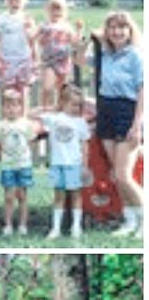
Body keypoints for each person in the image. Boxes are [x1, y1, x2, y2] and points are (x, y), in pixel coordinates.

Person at [91, 10, 143, 237]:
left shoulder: (136, 56)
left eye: (122, 27)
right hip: (106, 111)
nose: (117, 31)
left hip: (127, 111)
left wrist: (137, 124)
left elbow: (143, 91)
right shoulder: (105, 54)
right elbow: (80, 59)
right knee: (116, 173)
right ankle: (130, 221)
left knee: (124, 175)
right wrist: (88, 39)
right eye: (112, 27)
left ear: (130, 31)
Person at [30, 85, 92, 239]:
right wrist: (52, 108)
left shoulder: (80, 122)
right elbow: (31, 113)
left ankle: (76, 226)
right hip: (57, 164)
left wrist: (84, 165)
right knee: (59, 196)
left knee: (76, 195)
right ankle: (56, 227)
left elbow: (85, 145)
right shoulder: (54, 119)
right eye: (73, 104)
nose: (76, 108)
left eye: (79, 105)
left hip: (74, 164)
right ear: (63, 102)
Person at [0, 88, 40, 236]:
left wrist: (26, 156)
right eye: (7, 106)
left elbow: (32, 141)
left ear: (20, 107)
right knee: (9, 196)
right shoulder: (1, 125)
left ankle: (22, 225)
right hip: (8, 165)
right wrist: (1, 157)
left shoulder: (25, 124)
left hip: (23, 164)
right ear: (3, 108)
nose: (11, 109)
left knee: (22, 195)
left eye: (15, 106)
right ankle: (8, 224)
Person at [36, 0, 84, 109]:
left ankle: (59, 108)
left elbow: (75, 42)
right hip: (49, 62)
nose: (56, 13)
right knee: (47, 87)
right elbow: (37, 39)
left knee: (61, 88)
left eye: (59, 10)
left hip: (64, 61)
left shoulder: (67, 27)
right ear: (47, 10)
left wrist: (79, 30)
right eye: (53, 9)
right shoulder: (44, 25)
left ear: (65, 11)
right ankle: (45, 107)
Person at [0, 0, 37, 98]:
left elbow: (33, 40)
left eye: (18, 0)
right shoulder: (1, 19)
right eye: (11, 0)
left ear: (25, 1)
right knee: (7, 90)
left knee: (24, 89)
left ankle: (23, 114)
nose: (14, 3)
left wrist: (35, 56)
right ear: (6, 1)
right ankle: (7, 113)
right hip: (6, 58)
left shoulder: (28, 18)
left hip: (24, 58)